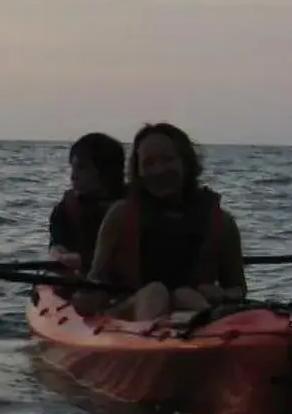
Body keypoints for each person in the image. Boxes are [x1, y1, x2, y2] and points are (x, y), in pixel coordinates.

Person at [86, 122, 245, 320]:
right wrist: (89, 295)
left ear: (186, 163)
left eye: (168, 160)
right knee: (155, 292)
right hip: (131, 312)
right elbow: (96, 279)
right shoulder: (120, 216)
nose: (159, 170)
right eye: (148, 163)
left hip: (192, 309)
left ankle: (205, 327)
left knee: (185, 295)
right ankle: (152, 343)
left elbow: (237, 289)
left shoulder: (223, 223)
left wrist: (223, 294)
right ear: (138, 171)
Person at [47, 132, 126, 276]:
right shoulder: (64, 209)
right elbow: (57, 242)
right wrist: (57, 254)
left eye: (82, 167)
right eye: (73, 167)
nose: (73, 175)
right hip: (80, 280)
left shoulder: (132, 207)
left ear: (106, 171)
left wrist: (84, 260)